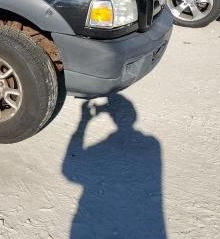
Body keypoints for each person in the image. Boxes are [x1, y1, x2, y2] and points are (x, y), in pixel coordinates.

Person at [62, 95, 166, 238]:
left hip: (95, 219)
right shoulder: (153, 144)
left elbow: (69, 169)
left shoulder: (104, 147)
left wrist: (84, 121)